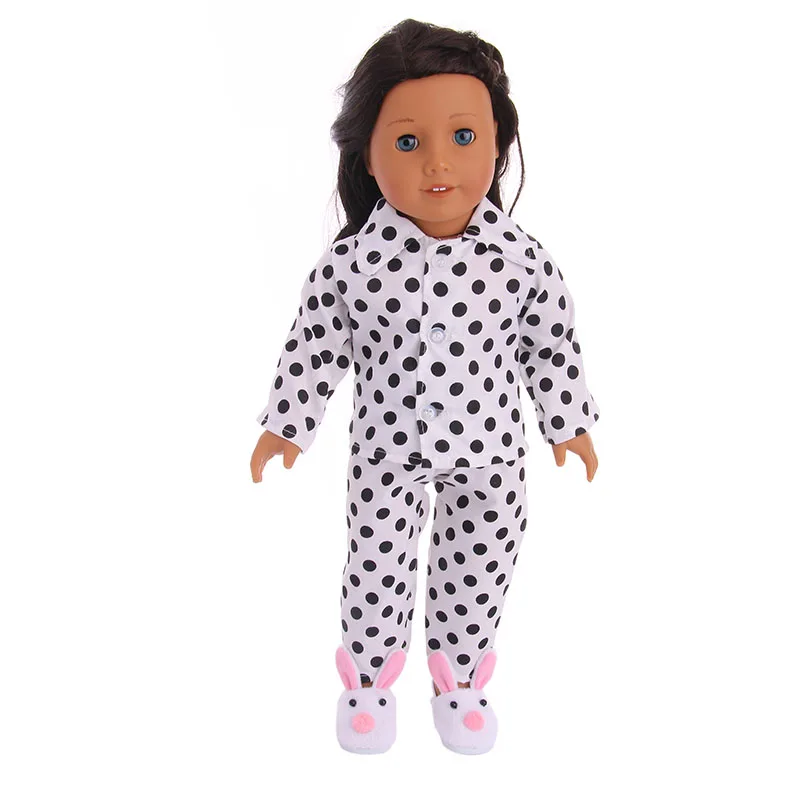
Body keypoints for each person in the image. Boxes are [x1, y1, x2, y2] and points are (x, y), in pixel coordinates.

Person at [250, 18, 600, 754]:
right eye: (408, 142)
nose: (439, 162)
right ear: (367, 155)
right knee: (375, 566)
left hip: (491, 453)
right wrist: (288, 422)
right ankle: (368, 681)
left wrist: (568, 422)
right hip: (388, 453)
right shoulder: (354, 264)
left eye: (463, 137)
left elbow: (550, 343)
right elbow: (316, 343)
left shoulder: (520, 260)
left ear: (498, 143)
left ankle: (460, 679)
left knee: (482, 564)